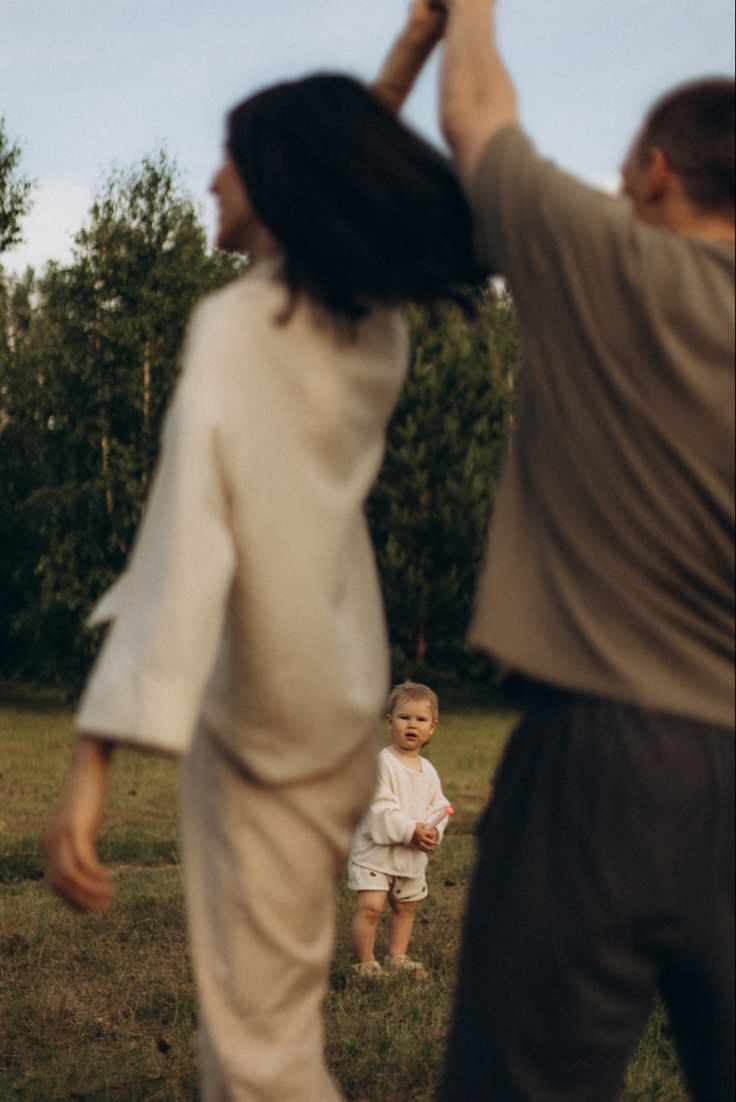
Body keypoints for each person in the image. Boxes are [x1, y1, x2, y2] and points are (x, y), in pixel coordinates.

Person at [42, 8, 483, 1101]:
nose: (207, 180)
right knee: (267, 1017)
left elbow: (184, 549)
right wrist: (412, 50)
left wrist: (91, 764)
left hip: (257, 722)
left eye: (229, 158)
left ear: (277, 184)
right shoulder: (359, 320)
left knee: (257, 1052)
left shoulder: (242, 331)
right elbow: (346, 176)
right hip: (331, 707)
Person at [420, 3, 734, 1101]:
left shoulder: (610, 261)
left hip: (607, 763)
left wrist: (466, 10)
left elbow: (473, 110)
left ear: (653, 173)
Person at [349, 680, 450, 979]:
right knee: (371, 906)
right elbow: (379, 807)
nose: (412, 725)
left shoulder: (428, 770)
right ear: (390, 722)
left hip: (409, 854)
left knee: (405, 907)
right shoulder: (382, 764)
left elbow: (440, 806)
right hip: (376, 852)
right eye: (405, 717)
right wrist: (410, 830)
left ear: (432, 727)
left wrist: (433, 830)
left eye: (420, 720)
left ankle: (397, 955)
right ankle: (364, 962)